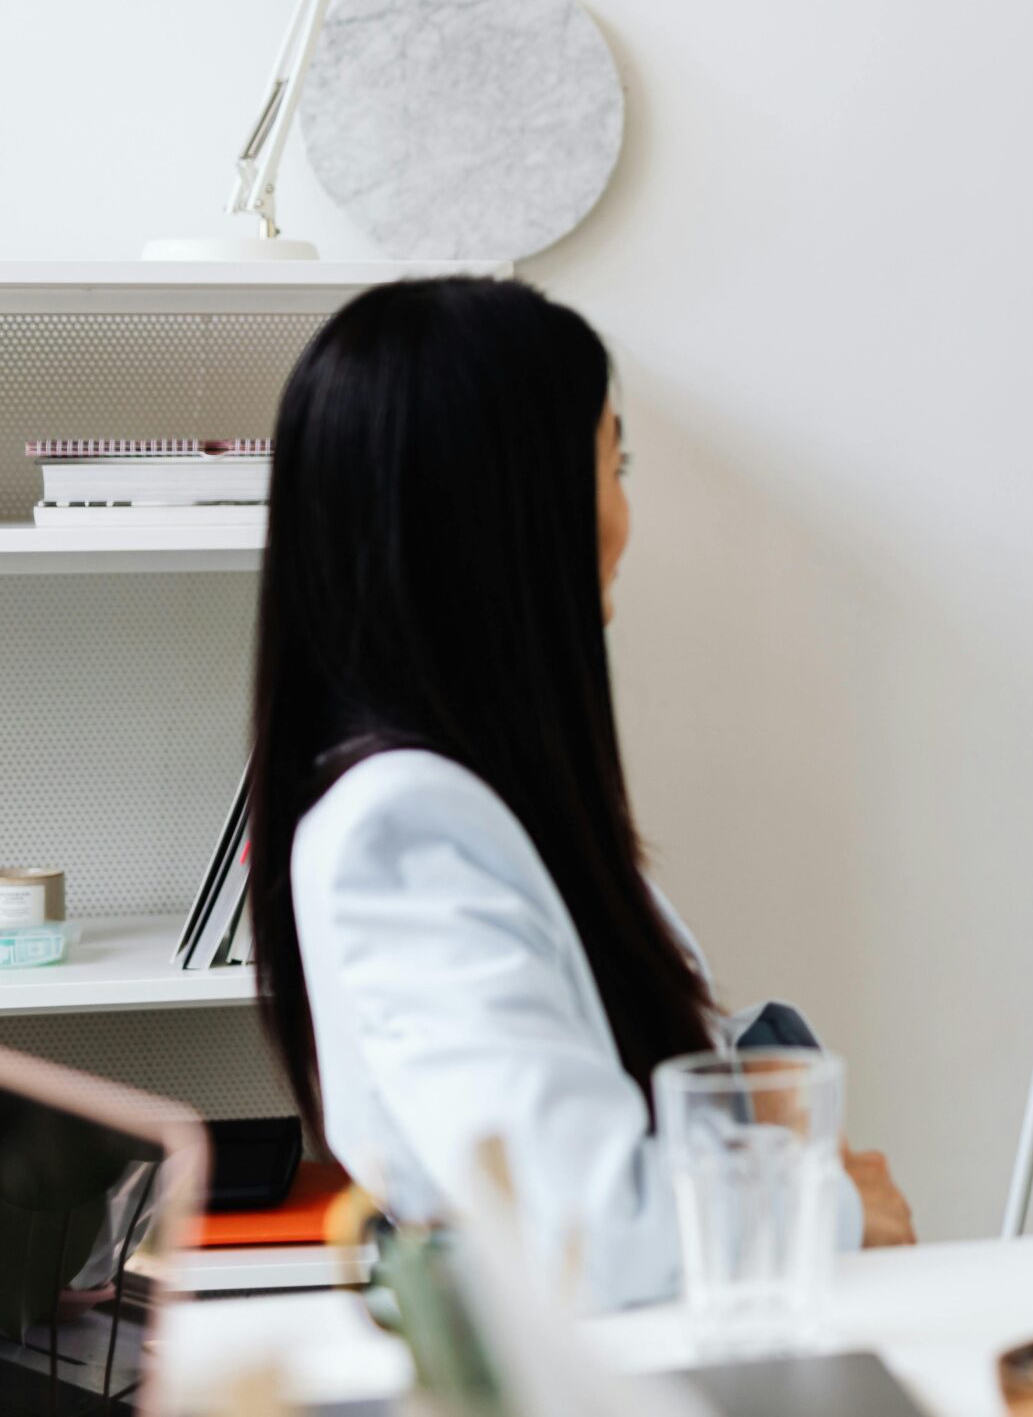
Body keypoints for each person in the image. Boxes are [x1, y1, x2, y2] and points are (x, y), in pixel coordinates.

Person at [243, 277, 914, 1310]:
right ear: (519, 504)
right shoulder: (405, 828)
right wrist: (824, 1204)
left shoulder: (476, 802)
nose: (624, 515)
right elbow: (578, 1229)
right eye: (616, 462)